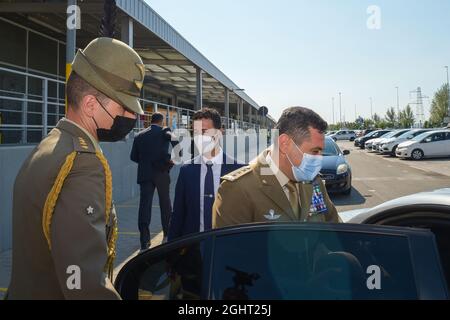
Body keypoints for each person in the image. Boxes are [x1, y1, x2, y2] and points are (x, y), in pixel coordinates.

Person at [7, 37, 145, 299]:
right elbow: (83, 284)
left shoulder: (51, 144)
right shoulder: (84, 163)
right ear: (91, 105)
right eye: (124, 107)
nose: (132, 117)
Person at [213, 106, 341, 228]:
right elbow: (229, 249)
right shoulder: (237, 189)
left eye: (321, 152)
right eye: (314, 151)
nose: (319, 158)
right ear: (285, 143)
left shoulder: (314, 182)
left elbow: (333, 228)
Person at [168, 108, 244, 241]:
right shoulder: (186, 170)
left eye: (204, 132)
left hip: (229, 248)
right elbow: (178, 215)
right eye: (195, 133)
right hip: (193, 250)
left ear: (220, 132)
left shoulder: (239, 170)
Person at [130, 112, 174, 250]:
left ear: (151, 121)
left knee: (144, 207)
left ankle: (144, 241)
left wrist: (145, 162)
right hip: (161, 172)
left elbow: (133, 157)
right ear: (162, 121)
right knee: (165, 204)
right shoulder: (164, 132)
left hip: (145, 174)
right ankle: (167, 235)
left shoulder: (139, 135)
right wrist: (169, 160)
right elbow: (178, 143)